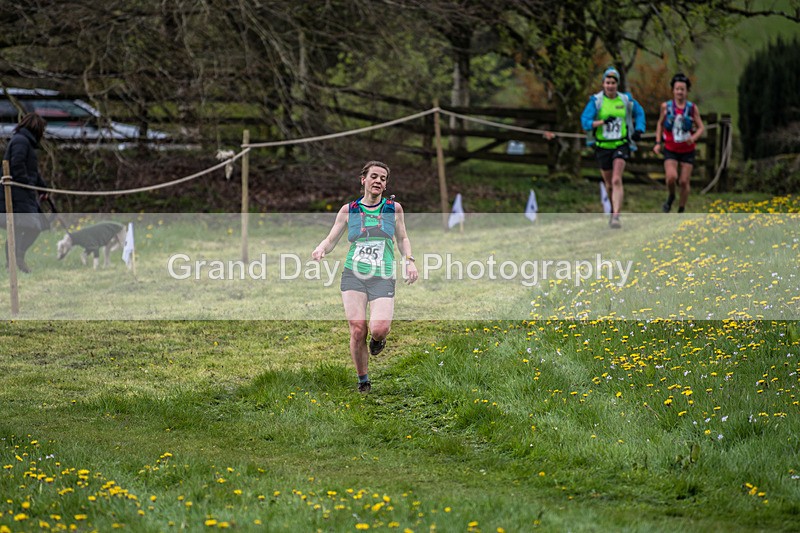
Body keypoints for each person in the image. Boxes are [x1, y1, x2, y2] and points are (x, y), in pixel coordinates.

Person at [311, 161, 418, 393]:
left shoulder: (393, 209)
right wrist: (321, 249)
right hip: (354, 274)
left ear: (385, 185)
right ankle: (363, 380)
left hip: (382, 275)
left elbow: (402, 238)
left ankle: (378, 340)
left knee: (379, 328)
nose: (378, 181)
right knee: (358, 329)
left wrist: (409, 261)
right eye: (374, 176)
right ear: (364, 180)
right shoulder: (348, 210)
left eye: (383, 178)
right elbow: (331, 239)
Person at [581, 66, 646, 229]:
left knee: (617, 179)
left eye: (613, 83)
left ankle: (616, 216)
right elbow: (585, 121)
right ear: (603, 84)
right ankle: (612, 211)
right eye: (607, 82)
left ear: (617, 84)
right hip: (603, 146)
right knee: (609, 184)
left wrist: (639, 129)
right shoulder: (596, 101)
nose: (610, 86)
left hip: (621, 144)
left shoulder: (625, 100)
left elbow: (640, 113)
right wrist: (602, 122)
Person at [1, 112, 49, 273]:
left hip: (24, 193)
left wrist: (42, 188)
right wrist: (27, 185)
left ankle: (17, 258)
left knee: (33, 226)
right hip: (17, 194)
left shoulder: (24, 142)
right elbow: (17, 165)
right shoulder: (21, 141)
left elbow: (32, 171)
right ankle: (13, 261)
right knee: (22, 227)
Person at [653, 73, 706, 213]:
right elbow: (660, 124)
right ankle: (671, 196)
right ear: (673, 90)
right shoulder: (666, 107)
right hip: (670, 148)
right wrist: (658, 142)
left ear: (687, 91)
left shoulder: (692, 108)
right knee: (671, 178)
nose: (680, 92)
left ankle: (681, 209)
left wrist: (693, 138)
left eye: (682, 89)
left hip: (687, 150)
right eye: (677, 89)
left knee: (683, 181)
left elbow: (701, 127)